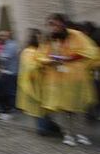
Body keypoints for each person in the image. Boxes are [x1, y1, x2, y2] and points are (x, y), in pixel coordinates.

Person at [39, 13, 99, 146]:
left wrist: (70, 58)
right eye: (50, 25)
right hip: (58, 79)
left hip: (77, 78)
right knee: (64, 109)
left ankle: (81, 134)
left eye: (55, 24)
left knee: (79, 108)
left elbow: (89, 51)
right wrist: (50, 60)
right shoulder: (49, 40)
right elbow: (41, 56)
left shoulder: (76, 35)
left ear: (62, 23)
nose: (53, 27)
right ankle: (68, 134)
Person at [16, 28, 61, 136]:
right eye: (39, 37)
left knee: (43, 107)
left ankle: (47, 126)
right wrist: (44, 63)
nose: (41, 40)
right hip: (33, 85)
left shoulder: (37, 51)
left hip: (41, 84)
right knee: (38, 108)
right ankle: (43, 129)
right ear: (34, 38)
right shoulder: (28, 51)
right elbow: (30, 67)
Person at [0, 30, 20, 118]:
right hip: (7, 72)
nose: (0, 37)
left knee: (10, 92)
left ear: (7, 36)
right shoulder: (7, 45)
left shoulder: (11, 45)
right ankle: (7, 109)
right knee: (5, 91)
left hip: (11, 72)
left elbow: (5, 57)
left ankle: (12, 109)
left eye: (2, 36)